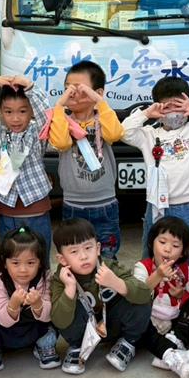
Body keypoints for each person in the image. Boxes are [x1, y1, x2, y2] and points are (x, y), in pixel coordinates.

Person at [122, 76, 189, 261]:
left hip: (188, 206)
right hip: (156, 206)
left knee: (183, 258)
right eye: (167, 107)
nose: (174, 112)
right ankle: (150, 281)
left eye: (179, 105)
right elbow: (123, 132)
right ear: (158, 107)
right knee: (151, 256)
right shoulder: (149, 134)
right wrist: (146, 113)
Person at [49, 219, 163, 377]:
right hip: (82, 330)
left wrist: (116, 282)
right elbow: (59, 321)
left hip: (112, 325)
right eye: (74, 252)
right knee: (64, 306)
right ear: (62, 259)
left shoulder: (109, 266)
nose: (83, 256)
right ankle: (77, 347)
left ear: (97, 249)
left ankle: (127, 343)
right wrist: (69, 289)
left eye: (88, 248)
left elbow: (144, 294)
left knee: (138, 297)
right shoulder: (60, 279)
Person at [46, 61, 124, 259]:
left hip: (105, 203)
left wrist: (99, 102)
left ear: (97, 92)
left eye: (80, 89)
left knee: (107, 256)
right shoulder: (63, 120)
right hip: (73, 204)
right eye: (68, 89)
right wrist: (59, 106)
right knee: (75, 257)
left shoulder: (103, 118)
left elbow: (115, 134)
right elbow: (61, 143)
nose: (72, 94)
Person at [0, 75, 53, 254]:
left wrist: (30, 87)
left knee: (40, 257)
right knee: (10, 258)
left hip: (37, 206)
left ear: (31, 111)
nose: (15, 118)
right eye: (8, 112)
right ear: (0, 112)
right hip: (7, 209)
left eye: (22, 111)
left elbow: (46, 116)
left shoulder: (36, 133)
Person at [0, 226, 59, 371]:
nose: (23, 270)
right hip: (5, 330)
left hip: (34, 328)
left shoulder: (45, 278)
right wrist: (13, 304)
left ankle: (43, 345)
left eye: (30, 263)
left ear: (40, 263)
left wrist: (38, 304)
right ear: (5, 263)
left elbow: (48, 316)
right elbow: (3, 320)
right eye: (15, 263)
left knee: (55, 315)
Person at [132, 216, 189, 373]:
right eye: (162, 242)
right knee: (133, 310)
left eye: (175, 245)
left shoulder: (185, 271)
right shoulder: (142, 267)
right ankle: (169, 352)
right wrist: (157, 275)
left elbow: (186, 302)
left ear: (183, 252)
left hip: (172, 323)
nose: (168, 249)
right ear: (152, 243)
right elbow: (137, 294)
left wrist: (181, 295)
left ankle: (177, 341)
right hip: (149, 321)